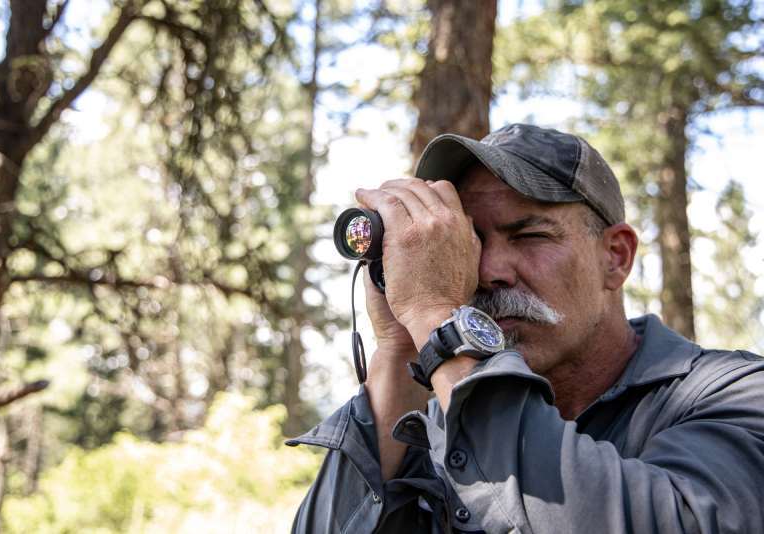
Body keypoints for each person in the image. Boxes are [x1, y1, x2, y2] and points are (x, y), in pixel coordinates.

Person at [287, 123, 764, 533]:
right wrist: (398, 347)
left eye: (530, 235)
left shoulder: (734, 394)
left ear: (615, 257)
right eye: (470, 242)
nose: (491, 271)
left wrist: (438, 314)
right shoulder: (442, 413)